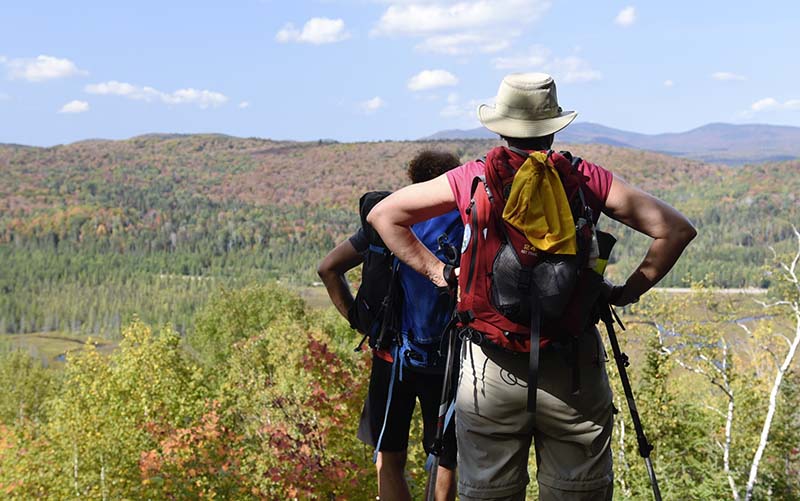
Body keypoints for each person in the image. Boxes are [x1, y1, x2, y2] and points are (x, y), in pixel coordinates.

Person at [367, 73, 697, 500]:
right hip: (573, 368)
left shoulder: (474, 177)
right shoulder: (583, 178)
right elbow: (675, 230)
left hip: (490, 371)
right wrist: (624, 292)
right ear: (554, 127)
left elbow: (384, 216)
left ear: (501, 126)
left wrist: (440, 275)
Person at [317, 149, 462, 501]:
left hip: (390, 358)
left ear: (414, 181)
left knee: (389, 455)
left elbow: (328, 269)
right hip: (450, 364)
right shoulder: (467, 223)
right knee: (446, 458)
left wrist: (359, 319)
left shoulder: (388, 221)